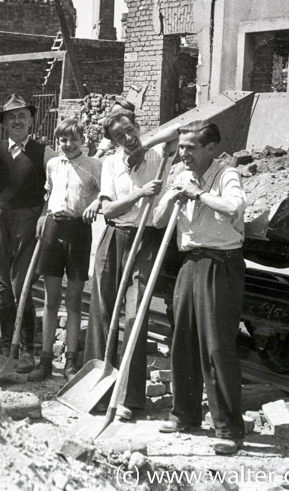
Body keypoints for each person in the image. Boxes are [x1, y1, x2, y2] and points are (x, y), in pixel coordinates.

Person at [152, 121, 247, 456]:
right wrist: (173, 197)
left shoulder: (226, 174)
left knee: (217, 346)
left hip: (221, 264)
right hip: (190, 263)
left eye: (191, 147)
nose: (184, 153)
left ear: (211, 148)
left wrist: (201, 195)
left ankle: (229, 428)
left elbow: (234, 208)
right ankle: (185, 415)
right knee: (183, 341)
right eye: (182, 147)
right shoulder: (179, 174)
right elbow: (158, 220)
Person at [84, 107, 174, 420]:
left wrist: (146, 145)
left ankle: (130, 398)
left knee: (137, 316)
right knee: (102, 309)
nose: (128, 136)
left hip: (145, 238)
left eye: (129, 129)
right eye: (120, 135)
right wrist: (139, 193)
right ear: (113, 141)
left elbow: (182, 131)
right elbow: (108, 210)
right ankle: (98, 391)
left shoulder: (158, 154)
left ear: (136, 126)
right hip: (115, 236)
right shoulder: (109, 163)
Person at [0, 94, 56, 372]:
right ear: (4, 123)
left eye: (22, 116)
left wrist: (45, 214)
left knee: (22, 286)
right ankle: (8, 346)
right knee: (3, 285)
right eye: (11, 117)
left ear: (31, 119)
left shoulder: (44, 152)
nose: (17, 121)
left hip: (30, 219)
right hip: (0, 217)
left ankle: (27, 351)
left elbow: (56, 188)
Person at [28, 117, 102, 381]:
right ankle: (46, 361)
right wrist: (42, 216)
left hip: (79, 231)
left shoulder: (95, 166)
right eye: (63, 140)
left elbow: (107, 194)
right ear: (57, 141)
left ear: (83, 140)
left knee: (73, 302)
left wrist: (99, 203)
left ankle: (70, 363)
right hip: (53, 229)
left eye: (73, 139)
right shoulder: (53, 164)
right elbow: (50, 194)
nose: (68, 144)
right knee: (50, 300)